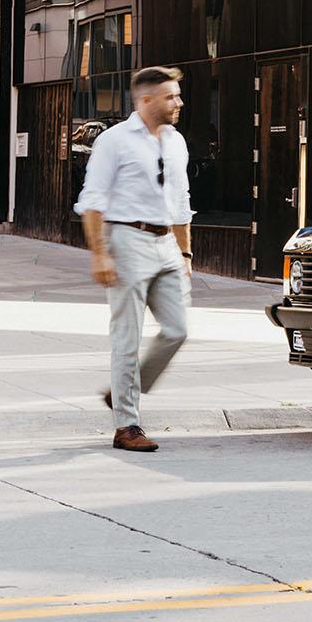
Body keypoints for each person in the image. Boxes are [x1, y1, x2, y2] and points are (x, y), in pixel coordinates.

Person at [74, 66, 194, 452]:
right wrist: (100, 254)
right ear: (145, 100)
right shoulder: (115, 141)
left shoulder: (176, 141)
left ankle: (122, 390)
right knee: (127, 339)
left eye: (177, 95)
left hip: (166, 245)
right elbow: (92, 201)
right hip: (127, 239)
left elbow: (181, 202)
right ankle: (127, 425)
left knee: (177, 330)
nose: (179, 102)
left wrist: (186, 251)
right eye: (170, 96)